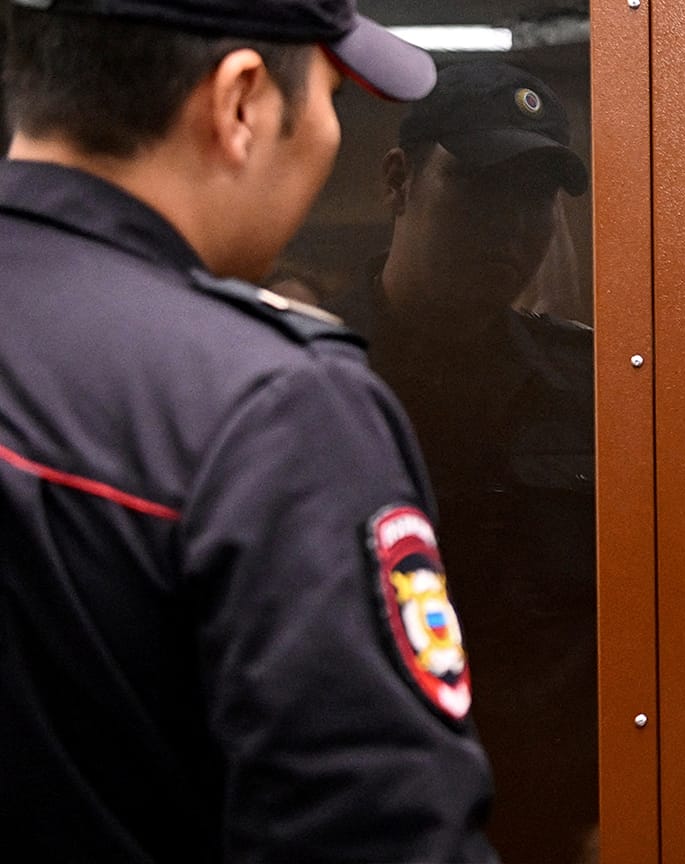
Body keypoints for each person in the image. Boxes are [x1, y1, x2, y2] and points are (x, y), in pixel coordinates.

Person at [0, 1, 498, 862]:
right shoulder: (268, 410)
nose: (329, 131)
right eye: (331, 96)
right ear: (240, 103)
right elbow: (375, 833)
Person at [330, 59, 597, 864]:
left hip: (554, 820)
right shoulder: (312, 379)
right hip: (366, 819)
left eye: (536, 200)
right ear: (398, 179)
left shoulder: (586, 388)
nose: (513, 229)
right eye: (481, 189)